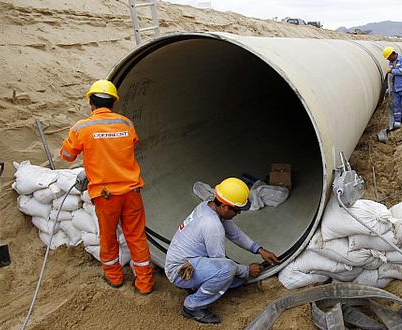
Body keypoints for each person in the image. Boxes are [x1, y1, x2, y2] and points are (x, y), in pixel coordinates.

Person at [60, 80, 154, 295]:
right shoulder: (126, 124)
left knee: (108, 237)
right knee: (136, 237)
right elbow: (132, 144)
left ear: (91, 102)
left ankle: (114, 277)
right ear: (113, 102)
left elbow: (66, 156)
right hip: (132, 192)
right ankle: (145, 283)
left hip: (106, 195)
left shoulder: (82, 127)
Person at [165, 177, 280, 324]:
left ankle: (199, 285)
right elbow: (220, 262)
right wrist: (246, 270)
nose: (238, 214)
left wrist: (259, 249)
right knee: (229, 270)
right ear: (225, 206)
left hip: (185, 261)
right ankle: (192, 307)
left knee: (235, 279)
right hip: (180, 272)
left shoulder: (207, 206)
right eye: (237, 210)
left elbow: (234, 233)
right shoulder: (213, 226)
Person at [383, 46, 402, 129]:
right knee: (396, 105)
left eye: (388, 57)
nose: (388, 60)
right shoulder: (391, 62)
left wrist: (392, 71)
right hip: (396, 88)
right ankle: (397, 122)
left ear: (392, 54)